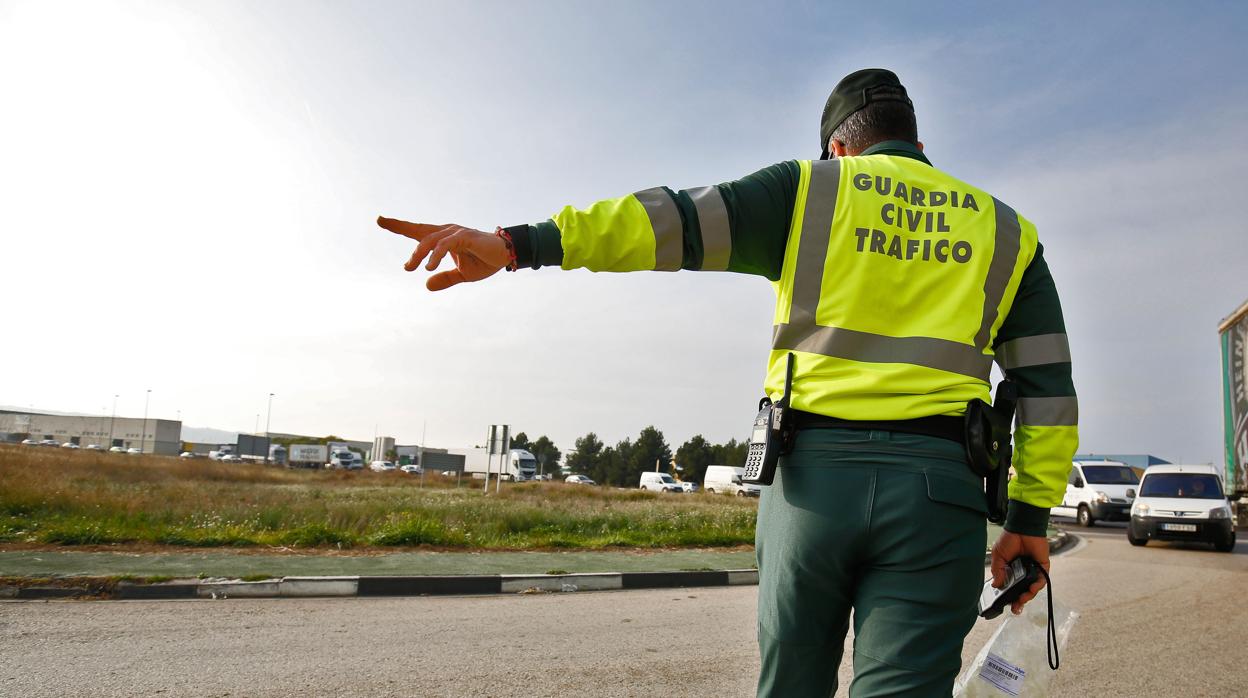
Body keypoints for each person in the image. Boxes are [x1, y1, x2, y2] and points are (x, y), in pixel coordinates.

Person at [377, 68, 1078, 697]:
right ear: (916, 142)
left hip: (810, 487)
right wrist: (1029, 520)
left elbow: (665, 222)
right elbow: (1047, 390)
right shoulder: (1007, 233)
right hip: (939, 494)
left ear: (837, 147)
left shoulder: (808, 191)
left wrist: (516, 244)